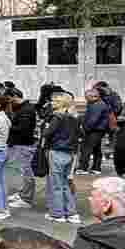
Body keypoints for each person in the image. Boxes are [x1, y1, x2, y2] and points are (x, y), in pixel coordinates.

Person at [43, 92, 81, 224]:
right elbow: (80, 135)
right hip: (70, 152)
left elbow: (47, 133)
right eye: (53, 100)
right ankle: (71, 213)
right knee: (65, 184)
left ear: (62, 103)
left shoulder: (57, 117)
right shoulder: (75, 117)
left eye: (56, 101)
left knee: (56, 184)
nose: (53, 103)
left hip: (57, 151)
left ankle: (57, 213)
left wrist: (45, 128)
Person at [5, 89, 37, 210]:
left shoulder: (26, 109)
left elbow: (24, 129)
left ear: (14, 96)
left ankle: (26, 199)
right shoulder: (21, 108)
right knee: (20, 171)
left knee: (26, 172)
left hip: (24, 145)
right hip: (20, 144)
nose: (8, 102)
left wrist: (8, 126)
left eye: (9, 99)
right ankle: (22, 194)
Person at [77, 89, 112, 175]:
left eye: (87, 97)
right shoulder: (98, 104)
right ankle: (96, 168)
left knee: (86, 148)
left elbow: (93, 120)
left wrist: (85, 128)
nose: (86, 99)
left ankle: (83, 167)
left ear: (94, 97)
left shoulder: (97, 105)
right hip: (98, 129)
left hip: (94, 130)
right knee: (96, 149)